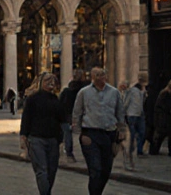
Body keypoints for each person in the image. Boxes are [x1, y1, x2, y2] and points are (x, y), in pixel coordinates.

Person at [71, 66, 125, 195]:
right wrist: (79, 133)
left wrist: (121, 130)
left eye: (102, 74)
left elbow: (120, 112)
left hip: (109, 133)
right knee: (95, 169)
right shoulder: (84, 92)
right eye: (97, 75)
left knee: (106, 170)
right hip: (90, 133)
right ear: (92, 77)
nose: (100, 77)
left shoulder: (114, 92)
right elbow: (77, 113)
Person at [20, 73, 64, 195]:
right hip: (36, 138)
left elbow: (62, 120)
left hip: (53, 139)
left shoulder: (56, 99)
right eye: (47, 80)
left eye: (53, 80)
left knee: (52, 170)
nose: (50, 83)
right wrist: (23, 136)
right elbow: (26, 118)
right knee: (42, 170)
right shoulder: (32, 99)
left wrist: (62, 139)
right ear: (40, 82)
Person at [151, 79, 171, 157]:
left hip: (170, 117)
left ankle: (170, 152)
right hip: (165, 117)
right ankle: (156, 150)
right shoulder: (165, 93)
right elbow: (160, 105)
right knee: (162, 134)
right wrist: (169, 110)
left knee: (170, 135)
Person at [59, 72, 83, 163]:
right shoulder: (83, 91)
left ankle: (69, 154)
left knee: (67, 134)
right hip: (80, 115)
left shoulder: (66, 91)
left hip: (67, 115)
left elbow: (60, 103)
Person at [123, 75, 147, 158]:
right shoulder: (132, 91)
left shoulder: (142, 91)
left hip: (139, 114)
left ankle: (138, 150)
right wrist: (124, 112)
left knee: (140, 133)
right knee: (133, 134)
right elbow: (126, 102)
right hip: (132, 114)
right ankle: (132, 149)